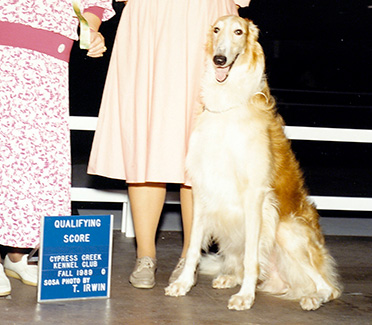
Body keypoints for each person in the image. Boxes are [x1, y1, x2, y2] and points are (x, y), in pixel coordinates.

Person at [88, 0, 251, 289]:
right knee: (145, 138)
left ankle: (190, 258)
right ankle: (145, 256)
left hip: (205, 19)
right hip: (150, 19)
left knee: (199, 143)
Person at [0, 0, 115, 296]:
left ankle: (17, 255)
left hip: (52, 60)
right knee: (4, 155)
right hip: (6, 46)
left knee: (38, 162)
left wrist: (91, 31)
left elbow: (92, 5)